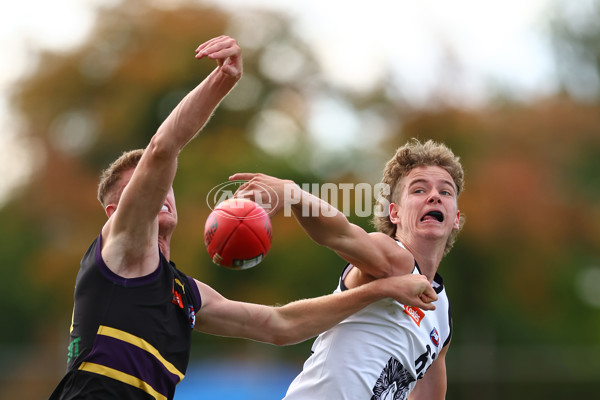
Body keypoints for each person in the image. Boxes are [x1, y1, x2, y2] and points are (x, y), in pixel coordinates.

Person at [48, 36, 440, 400]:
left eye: (160, 188)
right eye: (140, 190)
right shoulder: (119, 252)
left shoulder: (184, 293)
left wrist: (381, 290)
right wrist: (223, 80)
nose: (157, 194)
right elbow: (161, 148)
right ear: (115, 215)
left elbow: (279, 325)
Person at [231, 138, 464, 400]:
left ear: (455, 218)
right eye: (419, 190)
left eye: (445, 192)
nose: (434, 196)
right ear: (394, 213)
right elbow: (339, 234)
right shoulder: (393, 257)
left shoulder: (441, 315)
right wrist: (293, 194)